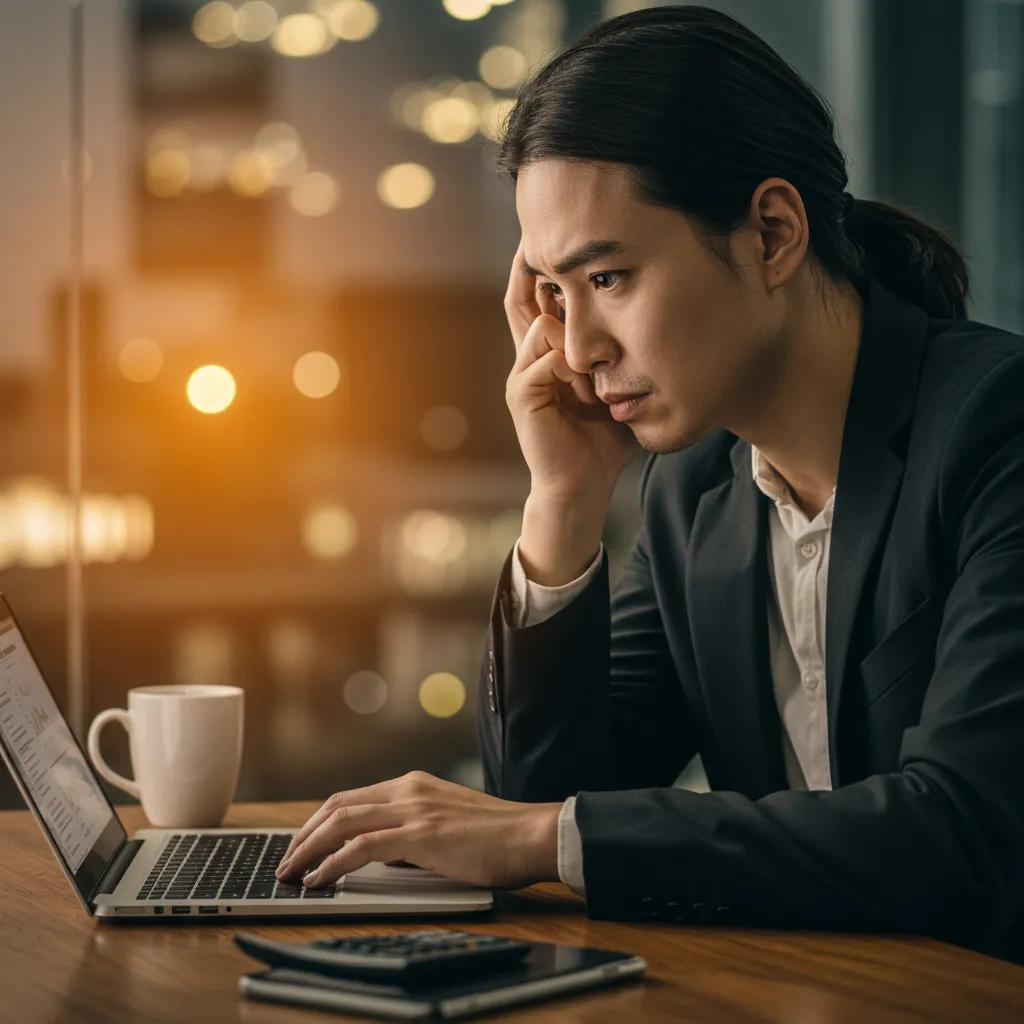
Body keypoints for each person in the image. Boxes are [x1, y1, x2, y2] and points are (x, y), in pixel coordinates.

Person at [276, 6, 1024, 960]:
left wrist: (538, 836)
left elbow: (964, 838)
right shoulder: (695, 494)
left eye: (611, 278)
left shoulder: (998, 431)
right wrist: (564, 501)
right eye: (553, 292)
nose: (578, 353)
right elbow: (542, 802)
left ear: (773, 233)